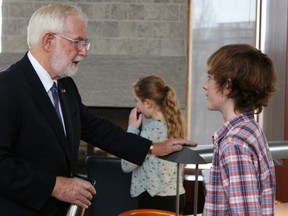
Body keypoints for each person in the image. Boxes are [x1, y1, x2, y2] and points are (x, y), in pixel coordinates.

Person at [0, 3, 196, 216]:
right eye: (77, 42)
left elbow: (96, 128)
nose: (84, 52)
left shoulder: (65, 85)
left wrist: (152, 148)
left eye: (86, 43)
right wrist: (55, 186)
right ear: (48, 41)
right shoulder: (7, 87)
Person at [202, 44, 278, 215]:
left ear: (228, 85)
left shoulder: (234, 143)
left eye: (210, 78)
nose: (205, 85)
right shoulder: (250, 130)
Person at [121, 75, 186, 213]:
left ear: (148, 103)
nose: (136, 106)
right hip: (176, 196)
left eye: (136, 101)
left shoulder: (151, 131)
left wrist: (132, 128)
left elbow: (126, 165)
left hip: (155, 199)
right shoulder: (175, 126)